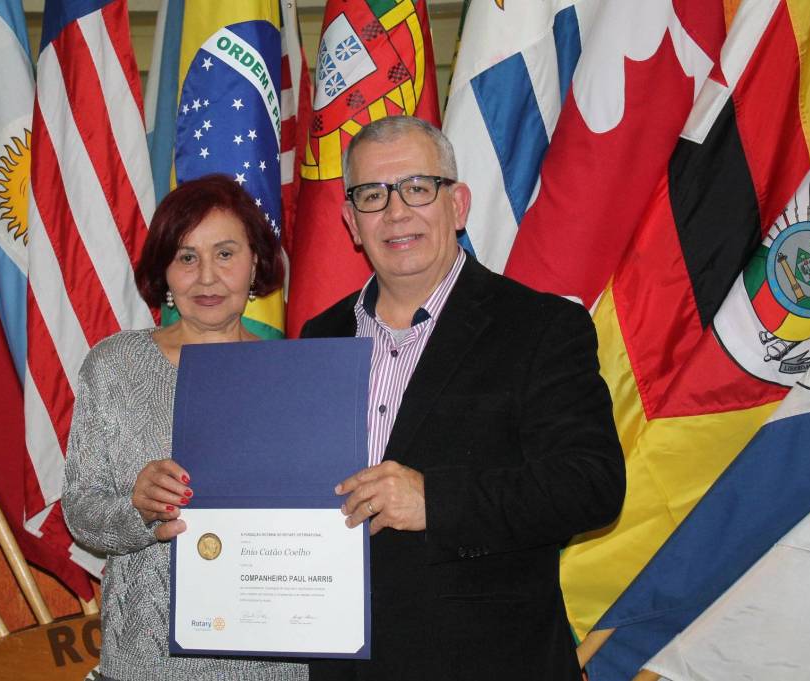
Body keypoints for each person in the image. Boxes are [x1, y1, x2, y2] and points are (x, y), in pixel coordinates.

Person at [301, 116, 625, 680]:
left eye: (417, 188)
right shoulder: (318, 337)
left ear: (458, 205)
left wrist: (436, 500)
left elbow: (591, 486)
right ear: (351, 222)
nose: (396, 212)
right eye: (372, 195)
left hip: (491, 662)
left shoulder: (541, 327)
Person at [62, 175, 307, 681]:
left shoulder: (297, 377)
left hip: (276, 659)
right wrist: (138, 508)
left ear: (256, 262)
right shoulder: (114, 366)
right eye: (187, 257)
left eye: (225, 254)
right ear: (164, 271)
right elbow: (81, 513)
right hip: (147, 662)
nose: (207, 278)